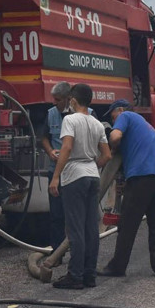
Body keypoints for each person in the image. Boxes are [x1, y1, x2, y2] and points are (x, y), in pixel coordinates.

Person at [49, 84, 112, 289]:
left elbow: (66, 147)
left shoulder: (70, 119)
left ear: (73, 100)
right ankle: (89, 275)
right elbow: (107, 155)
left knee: (75, 229)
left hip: (74, 177)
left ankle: (75, 276)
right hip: (92, 177)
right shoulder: (97, 123)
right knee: (90, 229)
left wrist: (56, 176)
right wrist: (93, 166)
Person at [98, 99, 155, 278]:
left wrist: (111, 148)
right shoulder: (145, 126)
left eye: (113, 116)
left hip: (142, 178)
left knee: (127, 225)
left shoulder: (126, 116)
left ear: (120, 110)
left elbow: (115, 137)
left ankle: (117, 267)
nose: (114, 121)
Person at [39, 81, 72, 251]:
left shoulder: (86, 114)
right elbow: (43, 137)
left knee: (74, 214)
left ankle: (76, 249)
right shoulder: (51, 114)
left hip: (74, 172)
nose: (54, 102)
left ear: (68, 99)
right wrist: (50, 150)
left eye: (58, 99)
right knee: (56, 214)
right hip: (55, 171)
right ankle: (57, 250)